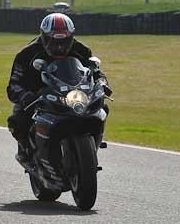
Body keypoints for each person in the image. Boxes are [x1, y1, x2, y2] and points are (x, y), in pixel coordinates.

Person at [6, 12, 111, 165]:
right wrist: (25, 96)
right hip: (39, 96)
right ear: (44, 37)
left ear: (71, 37)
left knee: (102, 108)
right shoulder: (26, 54)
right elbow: (13, 85)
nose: (60, 46)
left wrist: (102, 83)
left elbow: (94, 73)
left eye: (64, 41)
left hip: (73, 94)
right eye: (54, 41)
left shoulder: (82, 50)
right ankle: (25, 151)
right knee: (18, 120)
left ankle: (92, 145)